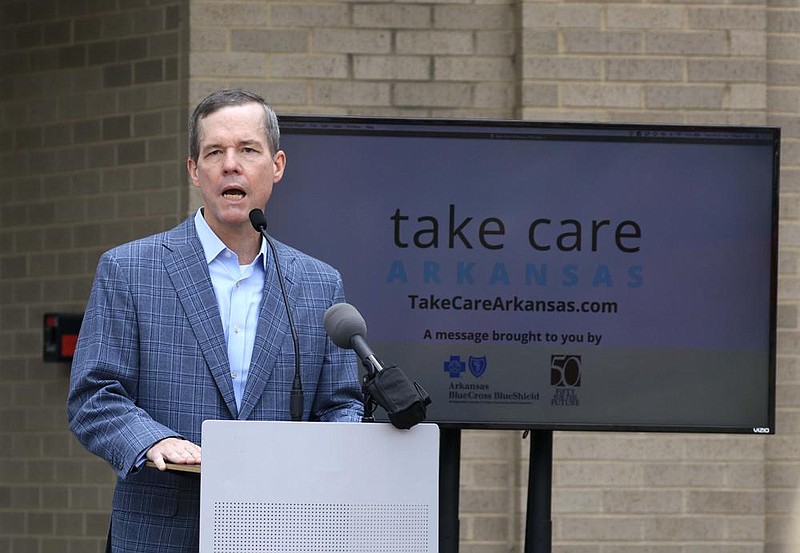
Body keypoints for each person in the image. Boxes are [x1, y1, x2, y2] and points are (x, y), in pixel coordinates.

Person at [67, 89, 364, 553]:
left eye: (248, 150)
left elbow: (340, 403)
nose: (231, 164)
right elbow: (93, 395)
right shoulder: (129, 270)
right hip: (163, 530)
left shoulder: (317, 283)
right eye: (214, 152)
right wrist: (153, 440)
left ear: (277, 165)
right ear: (194, 170)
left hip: (283, 528)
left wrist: (335, 446)